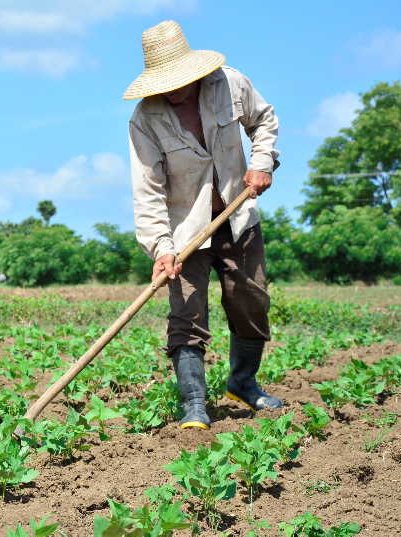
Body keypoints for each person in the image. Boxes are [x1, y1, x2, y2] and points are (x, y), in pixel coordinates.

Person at [124, 20, 282, 430]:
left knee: (251, 303)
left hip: (238, 216)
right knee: (186, 314)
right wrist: (161, 247)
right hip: (184, 234)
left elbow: (264, 120)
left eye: (178, 80)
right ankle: (194, 404)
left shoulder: (229, 85)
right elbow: (148, 189)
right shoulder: (146, 119)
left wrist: (262, 163)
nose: (173, 89)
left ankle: (243, 384)